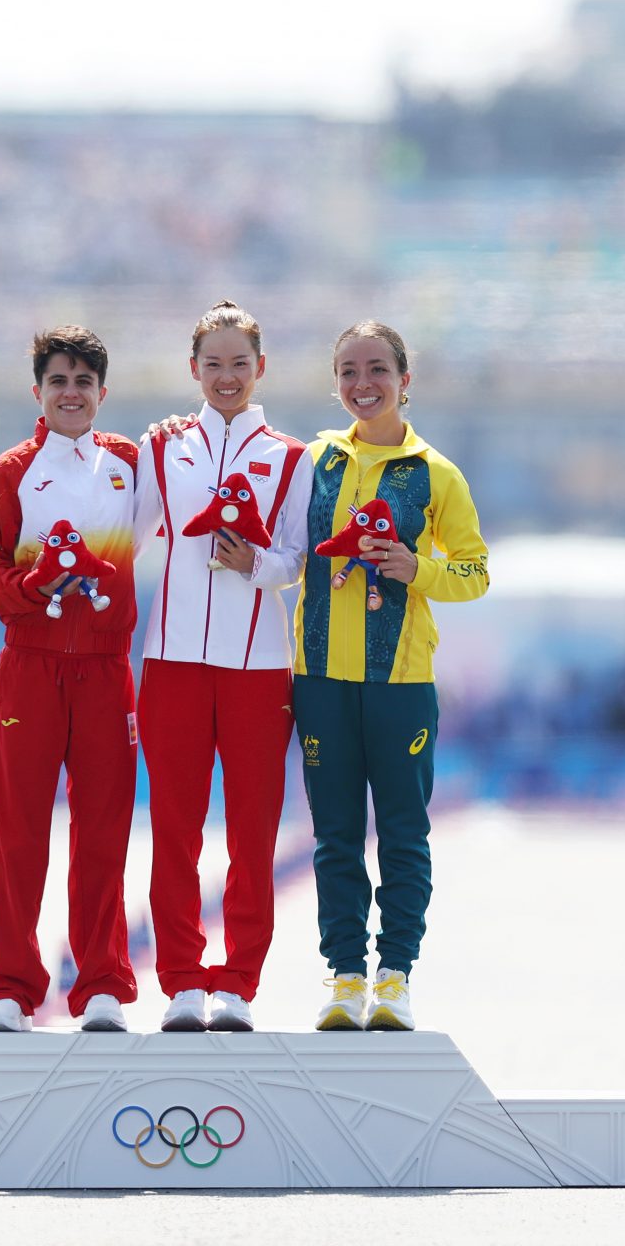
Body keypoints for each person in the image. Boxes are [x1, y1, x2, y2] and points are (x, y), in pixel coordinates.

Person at [296, 321, 489, 1032]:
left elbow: (475, 572)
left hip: (402, 684)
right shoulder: (313, 460)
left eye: (377, 369)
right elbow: (283, 546)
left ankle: (395, 977)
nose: (362, 383)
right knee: (334, 836)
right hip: (317, 678)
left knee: (404, 835)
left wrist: (419, 569)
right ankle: (345, 977)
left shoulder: (436, 474)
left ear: (405, 381)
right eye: (348, 370)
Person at [134, 301, 311, 1032]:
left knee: (252, 832)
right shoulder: (163, 447)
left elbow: (296, 560)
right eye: (214, 363)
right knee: (173, 828)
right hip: (170, 661)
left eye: (240, 363)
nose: (227, 376)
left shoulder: (291, 458)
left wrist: (256, 564)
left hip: (258, 666)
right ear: (194, 369)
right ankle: (179, 982)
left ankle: (237, 983)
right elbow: (122, 536)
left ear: (260, 367)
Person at [0, 325, 139, 1033]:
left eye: (84, 382)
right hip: (30, 668)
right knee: (18, 832)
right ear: (37, 391)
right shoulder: (8, 473)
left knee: (103, 832)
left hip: (105, 670)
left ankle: (100, 985)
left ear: (102, 392)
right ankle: (10, 988)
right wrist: (34, 588)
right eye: (59, 382)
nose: (72, 394)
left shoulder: (131, 464)